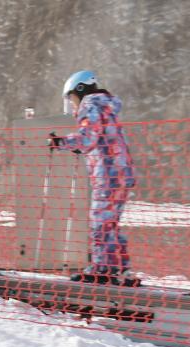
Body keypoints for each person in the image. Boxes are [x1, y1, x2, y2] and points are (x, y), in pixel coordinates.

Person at [50, 71, 138, 286]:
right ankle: (119, 269)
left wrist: (61, 143)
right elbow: (100, 137)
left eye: (71, 98)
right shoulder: (104, 105)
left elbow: (87, 137)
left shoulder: (90, 102)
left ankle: (101, 269)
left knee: (100, 222)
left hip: (107, 174)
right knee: (110, 224)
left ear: (80, 90)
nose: (72, 104)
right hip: (120, 172)